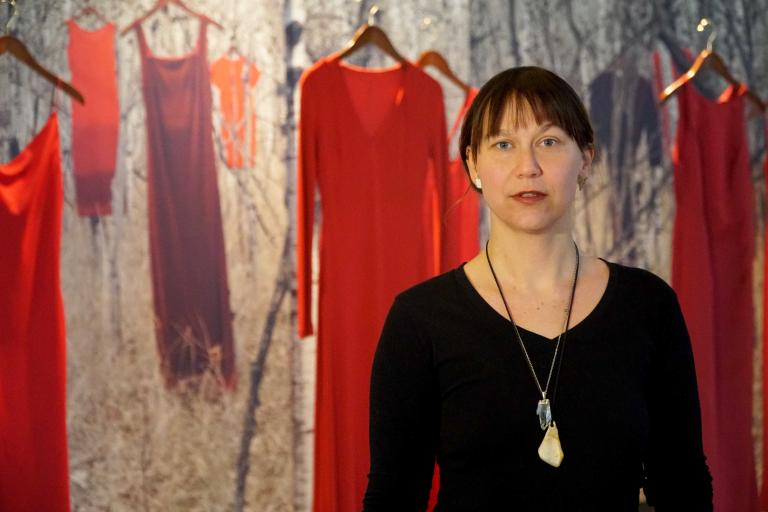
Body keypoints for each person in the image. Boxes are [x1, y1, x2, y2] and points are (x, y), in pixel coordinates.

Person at [362, 66, 713, 511]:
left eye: (548, 142)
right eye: (503, 144)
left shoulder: (648, 305)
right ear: (473, 164)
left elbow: (683, 483)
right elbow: (392, 497)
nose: (527, 167)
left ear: (585, 159)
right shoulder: (420, 320)